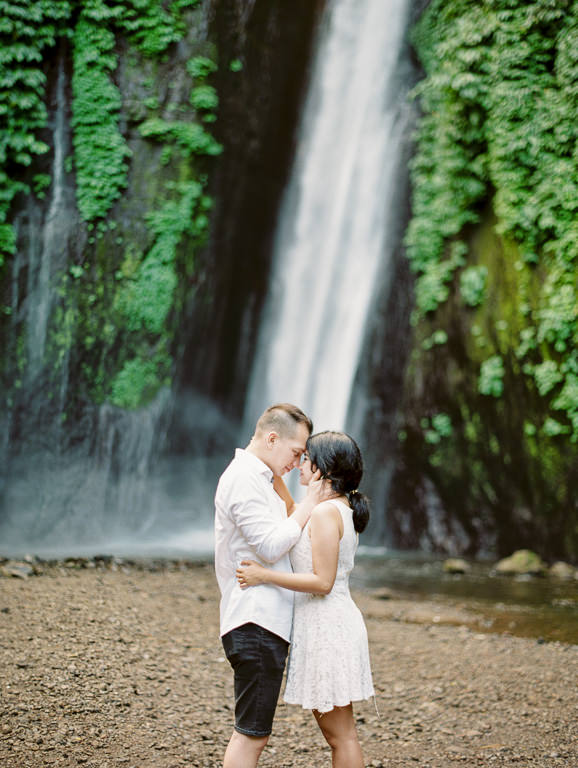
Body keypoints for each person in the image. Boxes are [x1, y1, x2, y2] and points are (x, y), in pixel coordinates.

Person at [236, 430, 375, 768]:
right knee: (338, 734)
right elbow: (292, 509)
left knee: (340, 735)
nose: (299, 464)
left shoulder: (328, 514)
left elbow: (323, 581)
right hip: (324, 625)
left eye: (306, 460)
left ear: (322, 469)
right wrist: (265, 465)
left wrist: (263, 574)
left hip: (330, 627)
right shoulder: (328, 508)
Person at [214, 403, 326, 768]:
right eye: (295, 453)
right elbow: (269, 545)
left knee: (252, 732)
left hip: (261, 622)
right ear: (272, 438)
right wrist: (310, 502)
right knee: (252, 735)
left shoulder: (260, 479)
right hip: (255, 620)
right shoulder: (244, 478)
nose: (296, 464)